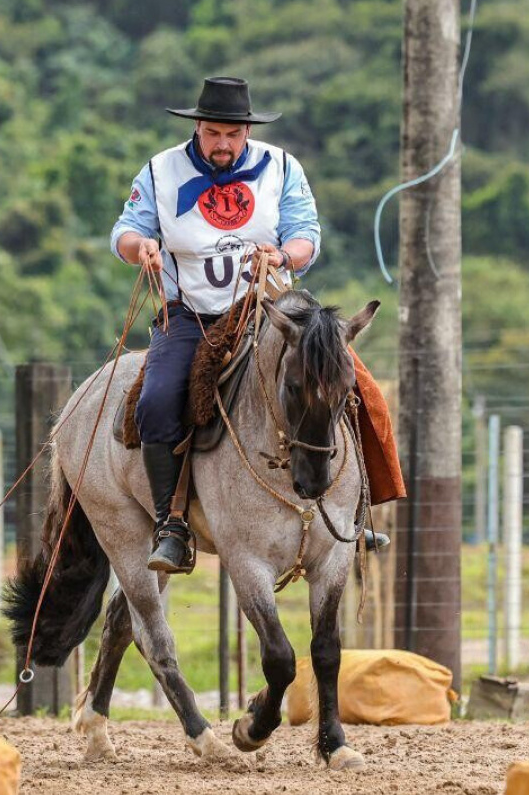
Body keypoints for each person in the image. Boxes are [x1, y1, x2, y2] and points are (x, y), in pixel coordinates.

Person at [111, 76, 405, 575]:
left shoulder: (282, 167)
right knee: (156, 401)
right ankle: (171, 524)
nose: (222, 144)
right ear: (197, 128)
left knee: (354, 387)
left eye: (232, 134)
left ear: (247, 131)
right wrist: (142, 247)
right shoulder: (161, 171)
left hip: (272, 309)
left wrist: (285, 254)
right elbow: (126, 231)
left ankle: (356, 509)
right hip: (193, 314)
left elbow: (306, 235)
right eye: (213, 133)